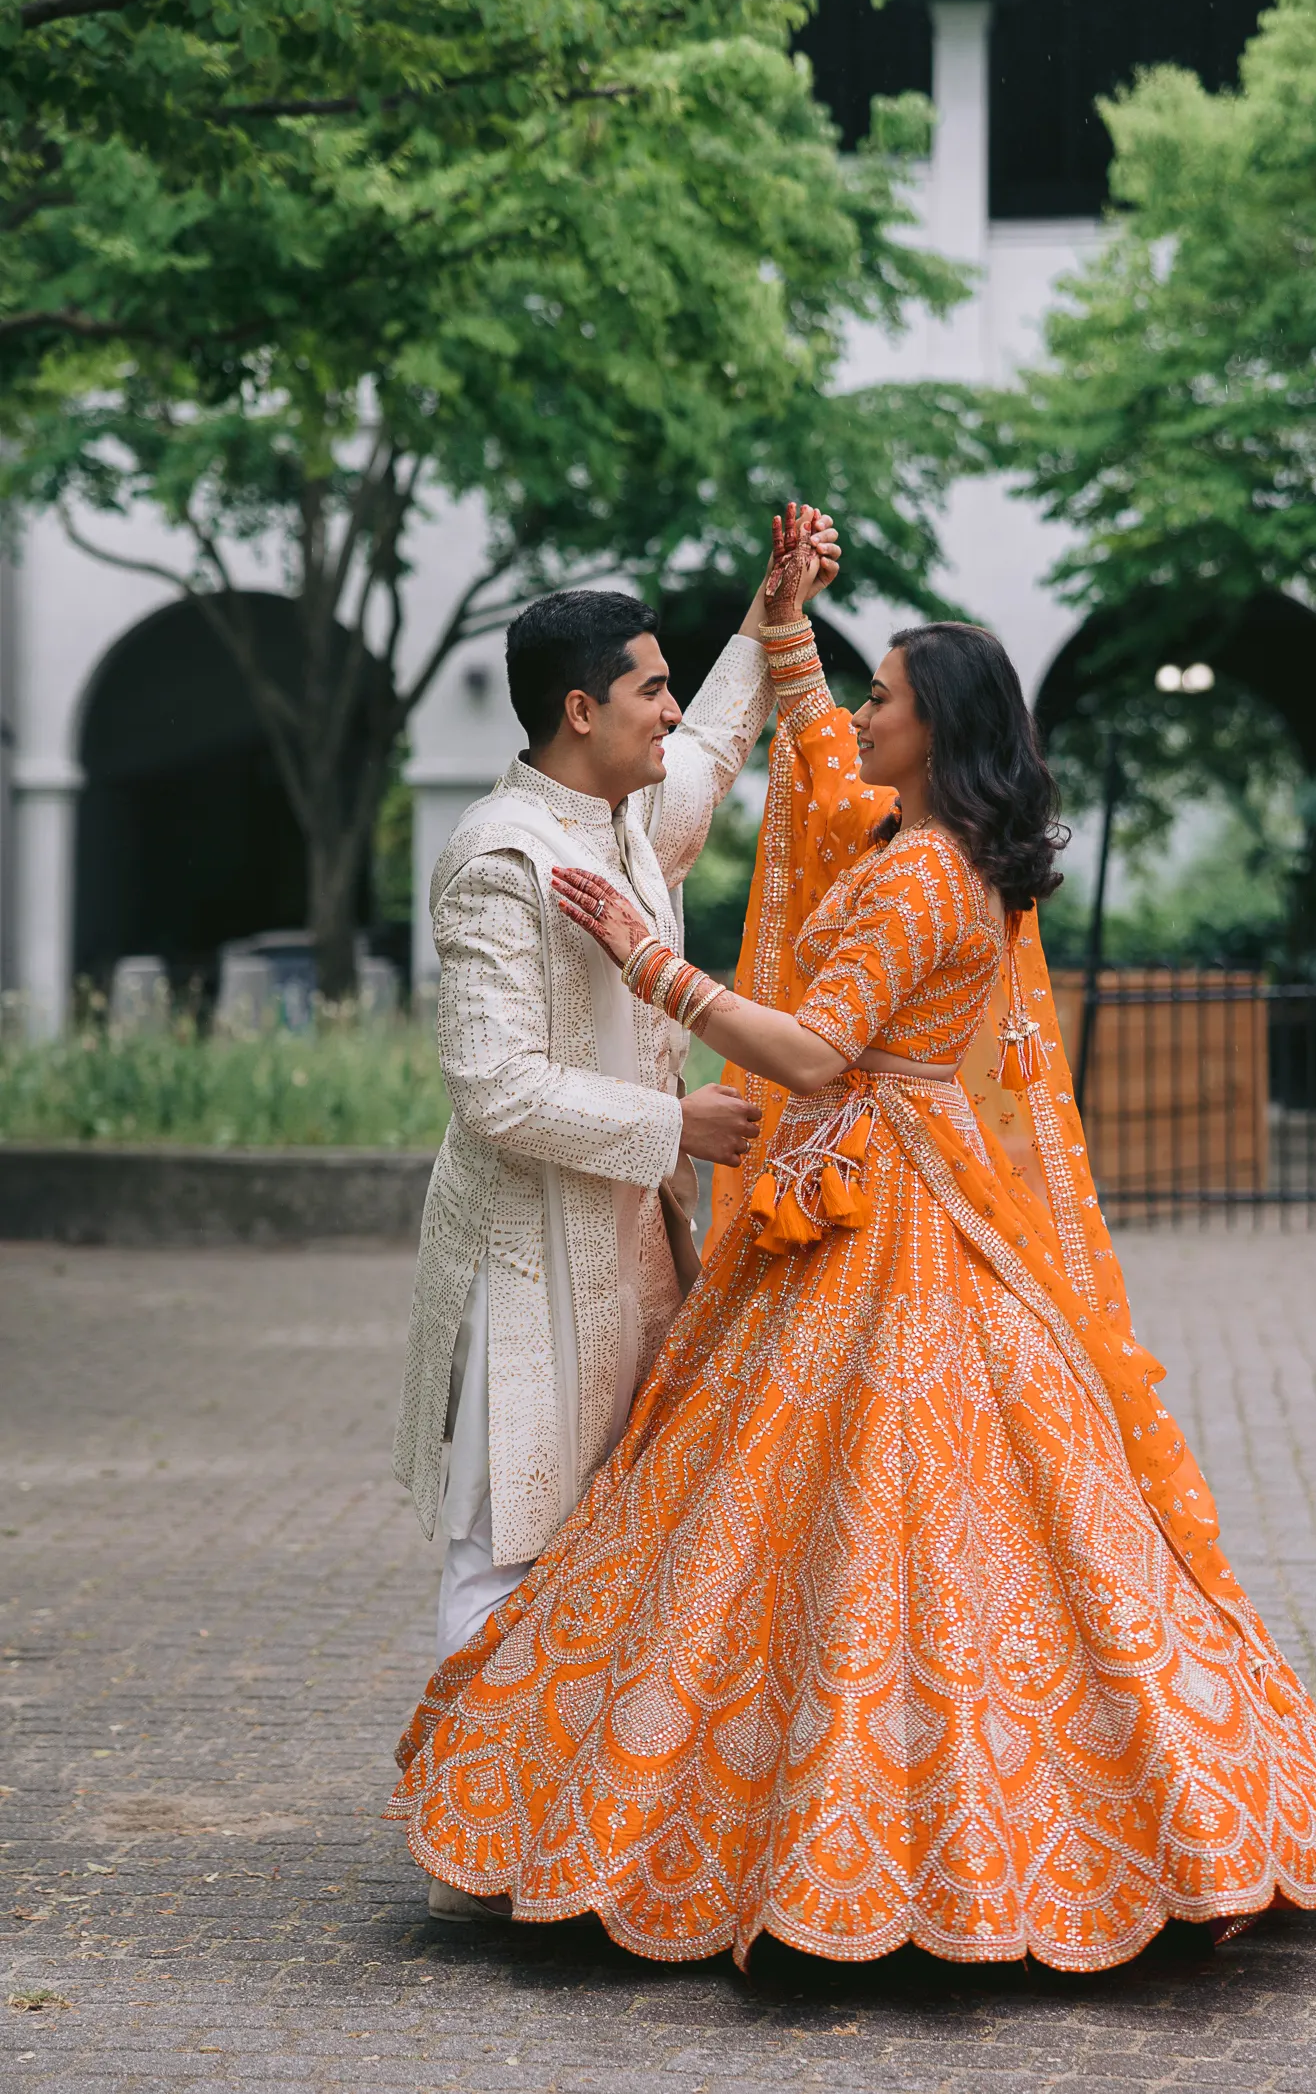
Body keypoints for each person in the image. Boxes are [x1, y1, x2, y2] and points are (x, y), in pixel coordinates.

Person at [387, 511, 1316, 1970]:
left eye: (885, 696)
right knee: (799, 1513)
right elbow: (770, 765)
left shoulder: (916, 871)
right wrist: (778, 628)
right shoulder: (896, 839)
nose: (858, 714)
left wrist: (657, 970)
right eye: (649, 687)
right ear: (586, 709)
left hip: (878, 1201)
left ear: (939, 728)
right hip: (731, 1212)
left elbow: (809, 1045)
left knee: (811, 1513)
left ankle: (666, 1816)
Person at [390, 527, 838, 1922]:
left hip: (637, 1248)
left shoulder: (625, 819)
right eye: (643, 686)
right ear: (580, 711)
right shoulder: (498, 858)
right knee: (509, 1540)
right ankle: (469, 1829)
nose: (663, 709)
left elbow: (705, 752)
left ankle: (554, 1825)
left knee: (616, 1530)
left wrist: (772, 620)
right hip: (526, 1264)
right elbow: (493, 1085)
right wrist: (678, 1129)